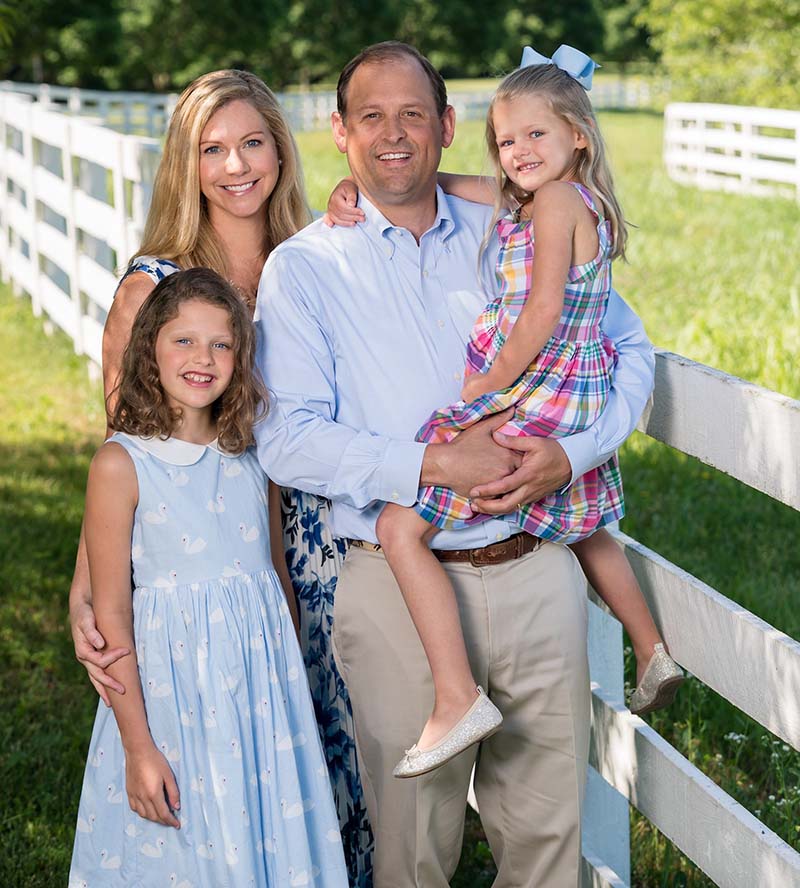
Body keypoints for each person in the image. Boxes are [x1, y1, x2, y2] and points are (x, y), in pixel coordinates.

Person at [255, 41, 655, 887]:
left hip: (534, 563)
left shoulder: (515, 220)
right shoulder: (306, 268)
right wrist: (435, 463)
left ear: (445, 127)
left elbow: (625, 342)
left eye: (413, 115)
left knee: (548, 844)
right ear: (339, 131)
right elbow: (287, 438)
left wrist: (571, 454)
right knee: (411, 854)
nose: (393, 135)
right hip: (397, 585)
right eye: (371, 116)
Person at [67, 69, 373, 885]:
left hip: (323, 531)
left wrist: (358, 198)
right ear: (186, 163)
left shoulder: (314, 257)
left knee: (332, 738)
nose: (236, 165)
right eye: (212, 148)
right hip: (216, 551)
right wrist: (87, 589)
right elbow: (126, 451)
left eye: (252, 142)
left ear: (280, 147)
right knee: (218, 749)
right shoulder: (156, 287)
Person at [364, 46, 683, 778]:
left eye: (536, 135)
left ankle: (456, 698)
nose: (517, 152)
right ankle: (651, 648)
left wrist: (487, 382)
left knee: (399, 525)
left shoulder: (559, 203)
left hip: (534, 386)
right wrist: (373, 184)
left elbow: (540, 310)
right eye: (507, 141)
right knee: (583, 525)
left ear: (578, 134)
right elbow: (455, 183)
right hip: (572, 390)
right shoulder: (555, 195)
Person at [69, 268, 348, 887]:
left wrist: (290, 696)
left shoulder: (252, 456)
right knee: (186, 849)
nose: (203, 358)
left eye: (222, 344)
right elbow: (111, 616)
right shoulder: (122, 464)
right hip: (170, 705)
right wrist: (139, 748)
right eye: (184, 341)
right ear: (150, 349)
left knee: (262, 837)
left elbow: (275, 576)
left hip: (261, 700)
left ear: (241, 357)